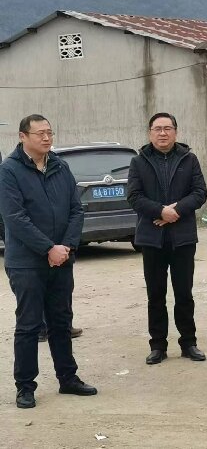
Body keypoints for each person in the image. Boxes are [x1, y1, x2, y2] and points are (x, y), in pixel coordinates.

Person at [0, 114, 97, 409]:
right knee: (29, 325)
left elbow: (76, 209)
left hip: (61, 259)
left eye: (49, 132)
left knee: (61, 321)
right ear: (22, 137)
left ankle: (68, 378)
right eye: (39, 133)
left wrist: (66, 246)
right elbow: (14, 218)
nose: (46, 138)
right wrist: (48, 249)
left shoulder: (60, 166)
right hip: (26, 263)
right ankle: (25, 386)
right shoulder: (9, 171)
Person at [127, 112, 207, 365]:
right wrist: (160, 211)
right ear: (150, 133)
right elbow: (134, 196)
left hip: (183, 238)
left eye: (167, 128)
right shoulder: (138, 162)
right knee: (156, 295)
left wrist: (176, 211)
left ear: (176, 132)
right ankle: (158, 346)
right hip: (151, 238)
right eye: (157, 129)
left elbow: (200, 192)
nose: (163, 133)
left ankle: (189, 343)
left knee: (184, 293)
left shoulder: (189, 159)